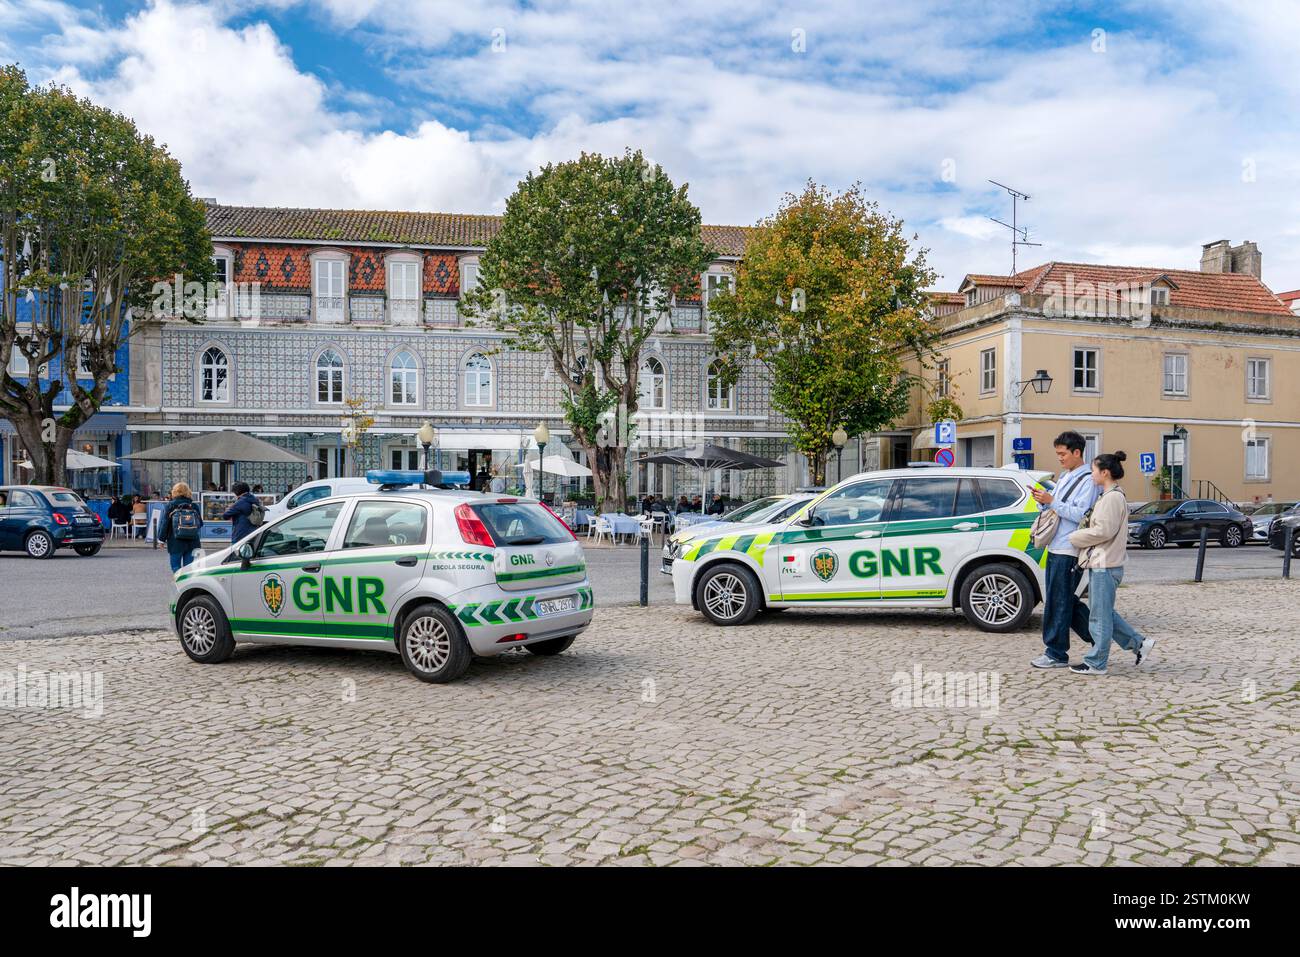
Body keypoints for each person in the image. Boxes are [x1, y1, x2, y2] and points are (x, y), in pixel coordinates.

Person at [1067, 452, 1156, 675]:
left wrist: (1074, 537)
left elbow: (1103, 531)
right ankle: (1139, 644)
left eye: (1094, 470)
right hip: (1103, 562)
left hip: (1105, 564)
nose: (1091, 475)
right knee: (1105, 613)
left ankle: (1096, 662)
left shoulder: (1112, 498)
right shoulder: (1109, 496)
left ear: (1104, 472)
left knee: (1099, 616)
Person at [1029, 431, 1100, 669]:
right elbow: (1057, 508)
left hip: (1070, 547)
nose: (1059, 458)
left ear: (1077, 452)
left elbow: (1081, 514)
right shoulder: (1064, 476)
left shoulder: (1089, 480)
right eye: (1058, 454)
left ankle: (1056, 653)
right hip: (1056, 545)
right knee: (1064, 601)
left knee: (1059, 602)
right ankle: (1103, 637)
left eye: (1063, 454)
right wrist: (1043, 501)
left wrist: (1052, 501)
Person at [158, 482, 203, 573]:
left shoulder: (170, 505)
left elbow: (165, 524)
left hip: (175, 542)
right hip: (192, 542)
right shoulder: (194, 506)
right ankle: (187, 586)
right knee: (188, 569)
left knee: (176, 567)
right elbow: (200, 523)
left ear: (175, 492)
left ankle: (180, 585)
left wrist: (161, 540)